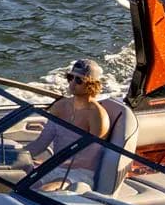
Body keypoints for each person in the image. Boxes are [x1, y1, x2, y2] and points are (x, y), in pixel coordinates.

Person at [21, 59, 111, 190]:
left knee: (45, 191)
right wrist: (18, 156)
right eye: (70, 77)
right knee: (13, 182)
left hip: (79, 173)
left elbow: (89, 158)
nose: (72, 83)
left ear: (92, 85)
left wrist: (52, 162)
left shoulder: (97, 115)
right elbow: (41, 142)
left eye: (79, 80)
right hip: (54, 167)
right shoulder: (59, 106)